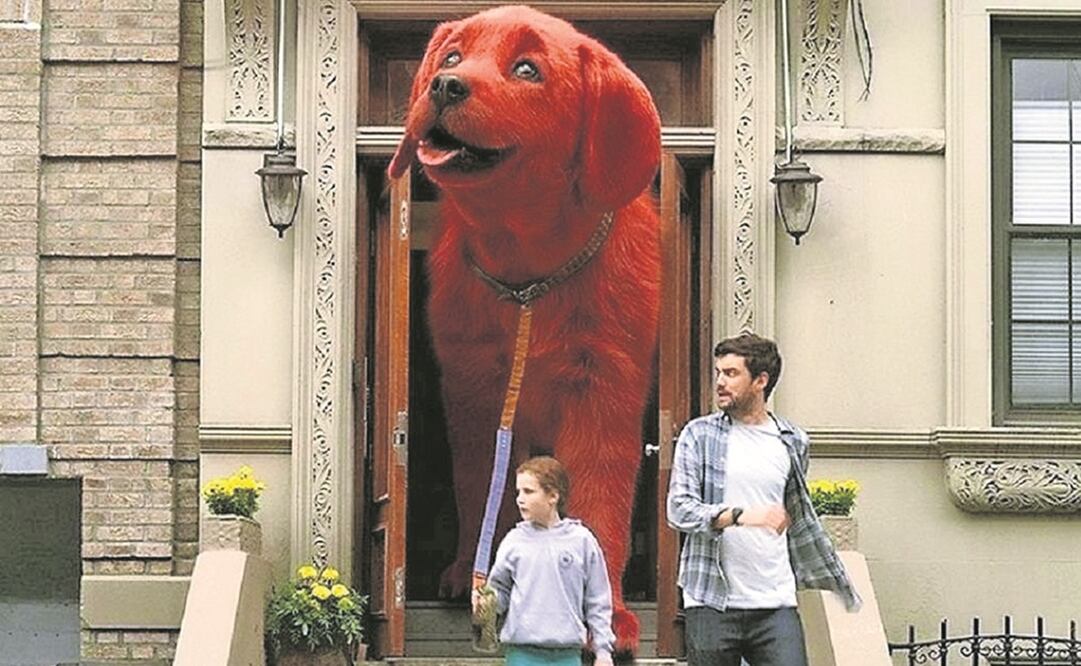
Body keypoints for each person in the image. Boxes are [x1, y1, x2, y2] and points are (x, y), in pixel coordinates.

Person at [666, 333, 861, 666]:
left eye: (731, 373)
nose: (720, 382)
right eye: (718, 372)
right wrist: (740, 515)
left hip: (775, 602)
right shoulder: (698, 435)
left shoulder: (792, 440)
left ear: (761, 381)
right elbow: (679, 509)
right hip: (711, 600)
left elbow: (799, 514)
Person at [472, 456, 615, 666]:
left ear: (553, 496)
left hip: (567, 655)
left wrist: (603, 651)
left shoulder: (581, 541)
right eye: (518, 492)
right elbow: (500, 591)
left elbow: (598, 599)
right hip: (522, 654)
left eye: (528, 491)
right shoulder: (513, 541)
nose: (520, 499)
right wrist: (486, 605)